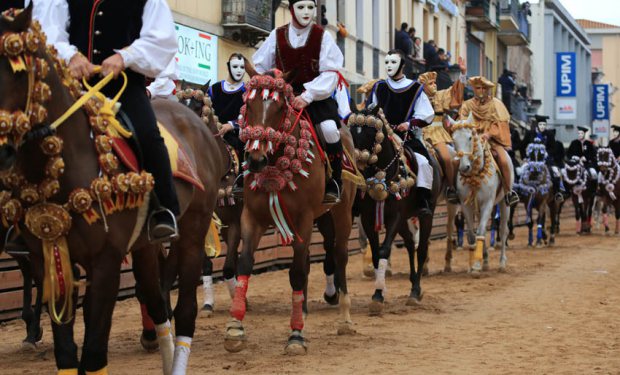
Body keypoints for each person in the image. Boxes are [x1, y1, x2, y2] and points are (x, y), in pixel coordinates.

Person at [38, 0, 181, 242]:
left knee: (147, 135)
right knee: (32, 131)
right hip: (70, 85)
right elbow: (47, 29)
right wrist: (70, 55)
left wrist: (126, 57)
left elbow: (162, 39)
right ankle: (20, 214)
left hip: (123, 87)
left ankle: (164, 210)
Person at [252, 0, 345, 204]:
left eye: (310, 7)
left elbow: (331, 73)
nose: (306, 12)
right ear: (292, 9)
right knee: (255, 125)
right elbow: (260, 65)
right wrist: (271, 83)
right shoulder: (277, 34)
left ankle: (335, 180)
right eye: (301, 7)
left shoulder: (323, 37)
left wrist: (307, 96)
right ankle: (248, 172)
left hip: (315, 99)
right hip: (282, 98)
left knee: (329, 129)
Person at [366, 49, 435, 216]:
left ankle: (423, 199)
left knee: (424, 162)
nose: (389, 66)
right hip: (380, 136)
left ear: (402, 65)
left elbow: (427, 114)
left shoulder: (415, 88)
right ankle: (358, 200)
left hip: (406, 137)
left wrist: (409, 123)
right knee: (362, 158)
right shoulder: (379, 86)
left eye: (393, 62)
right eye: (387, 62)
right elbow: (370, 109)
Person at [459, 76, 520, 206]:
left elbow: (500, 123)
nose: (481, 91)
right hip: (471, 139)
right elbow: (462, 121)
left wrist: (488, 134)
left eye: (483, 88)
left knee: (504, 161)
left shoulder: (496, 104)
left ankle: (509, 192)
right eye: (478, 88)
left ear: (488, 90)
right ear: (474, 89)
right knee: (456, 158)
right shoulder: (467, 105)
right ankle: (453, 190)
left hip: (491, 141)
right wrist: (472, 132)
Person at [417, 56, 467, 204]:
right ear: (423, 86)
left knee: (446, 158)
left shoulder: (441, 96)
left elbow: (455, 92)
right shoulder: (417, 98)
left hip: (437, 134)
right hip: (419, 133)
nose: (434, 86)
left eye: (434, 83)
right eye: (430, 84)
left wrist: (462, 75)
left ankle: (451, 188)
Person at [209, 53, 247, 183]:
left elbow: (250, 114)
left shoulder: (248, 91)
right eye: (235, 66)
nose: (239, 70)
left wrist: (231, 125)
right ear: (228, 67)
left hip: (236, 135)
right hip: (214, 132)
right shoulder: (214, 89)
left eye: (242, 67)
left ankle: (241, 179)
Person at [522, 118, 565, 202]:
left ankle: (557, 193)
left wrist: (547, 153)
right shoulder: (530, 133)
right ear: (537, 125)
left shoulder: (549, 134)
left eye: (544, 125)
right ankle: (517, 192)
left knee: (556, 172)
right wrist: (524, 157)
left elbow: (553, 148)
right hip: (530, 161)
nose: (542, 126)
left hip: (546, 161)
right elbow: (522, 145)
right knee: (520, 171)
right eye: (541, 124)